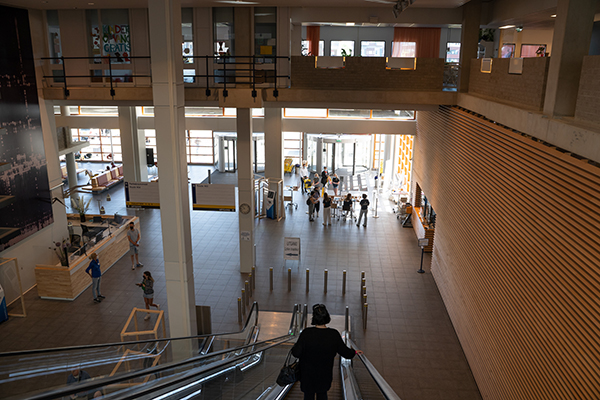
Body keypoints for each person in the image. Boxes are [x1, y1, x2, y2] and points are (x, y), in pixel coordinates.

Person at [292, 304, 363, 400]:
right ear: (327, 317)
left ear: (314, 318)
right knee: (322, 395)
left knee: (308, 396)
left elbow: (296, 353)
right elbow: (345, 353)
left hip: (307, 375)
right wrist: (354, 352)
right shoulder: (333, 334)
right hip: (324, 375)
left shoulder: (306, 333)